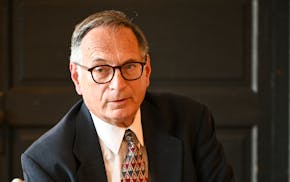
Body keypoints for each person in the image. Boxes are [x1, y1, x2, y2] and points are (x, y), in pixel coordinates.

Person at [21, 10, 235, 182]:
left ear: (147, 71)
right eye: (101, 69)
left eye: (130, 66)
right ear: (77, 78)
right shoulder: (46, 161)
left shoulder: (190, 121)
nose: (118, 85)